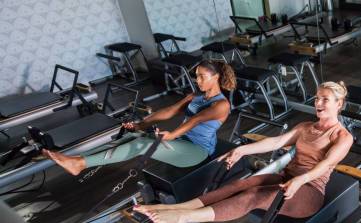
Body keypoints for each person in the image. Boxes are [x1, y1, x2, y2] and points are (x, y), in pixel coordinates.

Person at [134, 81, 354, 223]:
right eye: (317, 98)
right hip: (287, 177)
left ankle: (184, 218)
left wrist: (300, 180)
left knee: (252, 196)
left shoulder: (342, 136)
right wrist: (241, 149)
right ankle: (173, 208)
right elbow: (276, 142)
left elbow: (326, 164)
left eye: (325, 99)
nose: (318, 103)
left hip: (310, 191)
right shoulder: (306, 126)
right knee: (240, 184)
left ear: (339, 104)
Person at [43, 60, 236, 176]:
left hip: (196, 152)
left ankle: (79, 164)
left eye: (202, 76)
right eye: (196, 76)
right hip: (180, 141)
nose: (197, 80)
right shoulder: (195, 96)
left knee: (143, 145)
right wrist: (141, 125)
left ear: (216, 77)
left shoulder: (222, 104)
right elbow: (169, 111)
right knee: (129, 137)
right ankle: (77, 160)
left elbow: (196, 120)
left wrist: (171, 135)